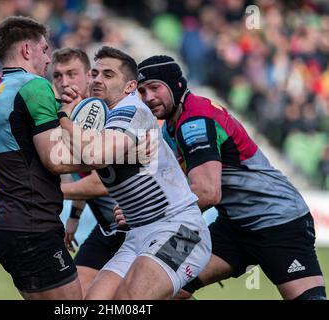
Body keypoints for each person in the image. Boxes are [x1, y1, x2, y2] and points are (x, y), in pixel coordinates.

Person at [133, 54, 326, 300]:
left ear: (175, 86)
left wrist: (147, 215)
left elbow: (207, 193)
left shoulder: (195, 121)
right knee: (159, 285)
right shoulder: (173, 124)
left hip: (277, 221)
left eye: (154, 88)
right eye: (142, 90)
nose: (148, 97)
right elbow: (179, 188)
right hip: (232, 227)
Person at [57, 46, 212, 299]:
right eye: (95, 73)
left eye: (108, 75)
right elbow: (70, 159)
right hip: (137, 234)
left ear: (130, 87)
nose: (97, 79)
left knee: (129, 301)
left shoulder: (132, 112)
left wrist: (63, 118)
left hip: (182, 231)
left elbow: (95, 156)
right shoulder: (104, 118)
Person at [0, 16, 88, 300]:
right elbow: (55, 160)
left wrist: (62, 111)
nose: (48, 60)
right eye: (44, 50)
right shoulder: (35, 86)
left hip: (4, 223)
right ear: (27, 50)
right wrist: (104, 158)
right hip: (33, 225)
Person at [51, 47, 126, 297]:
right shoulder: (67, 116)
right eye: (58, 76)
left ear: (88, 76)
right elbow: (84, 172)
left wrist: (49, 192)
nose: (64, 82)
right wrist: (74, 215)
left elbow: (103, 183)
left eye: (72, 74)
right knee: (78, 291)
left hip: (136, 225)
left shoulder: (107, 114)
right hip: (108, 227)